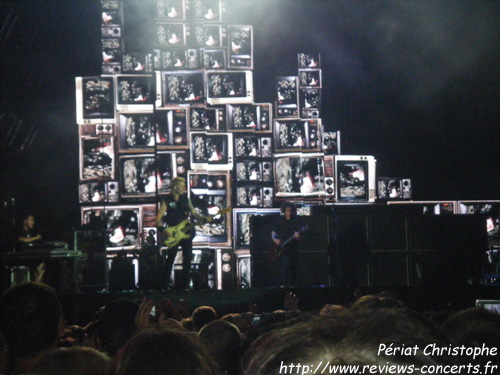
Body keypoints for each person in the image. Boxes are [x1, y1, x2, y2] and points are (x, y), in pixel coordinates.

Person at [155, 177, 211, 290]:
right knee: (171, 258)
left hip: (186, 232)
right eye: (182, 186)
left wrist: (203, 218)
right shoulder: (166, 200)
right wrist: (163, 230)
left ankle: (185, 285)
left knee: (188, 258)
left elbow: (194, 212)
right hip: (174, 233)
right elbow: (158, 218)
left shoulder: (186, 199)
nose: (184, 188)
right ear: (175, 187)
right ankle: (164, 285)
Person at [271, 202, 302, 287]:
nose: (289, 213)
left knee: (292, 268)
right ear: (284, 211)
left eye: (290, 211)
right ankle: (282, 286)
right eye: (287, 211)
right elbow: (273, 231)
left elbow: (300, 237)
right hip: (281, 248)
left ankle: (292, 287)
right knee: (283, 267)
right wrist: (274, 239)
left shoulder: (296, 220)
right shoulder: (279, 220)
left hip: (292, 248)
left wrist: (298, 236)